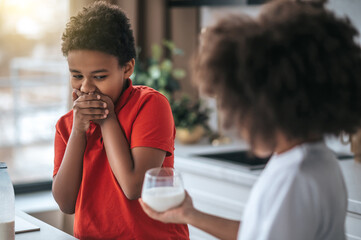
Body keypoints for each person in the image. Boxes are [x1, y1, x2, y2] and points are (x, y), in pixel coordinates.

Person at [139, 0, 361, 239]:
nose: (238, 124)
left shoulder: (295, 178)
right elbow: (256, 233)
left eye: (239, 106)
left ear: (268, 103)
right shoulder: (314, 158)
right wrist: (189, 214)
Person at [51, 2, 189, 239]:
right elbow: (65, 203)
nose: (86, 87)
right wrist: (78, 131)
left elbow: (133, 187)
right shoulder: (67, 124)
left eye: (100, 76)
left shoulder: (150, 106)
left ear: (127, 68)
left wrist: (107, 119)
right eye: (76, 76)